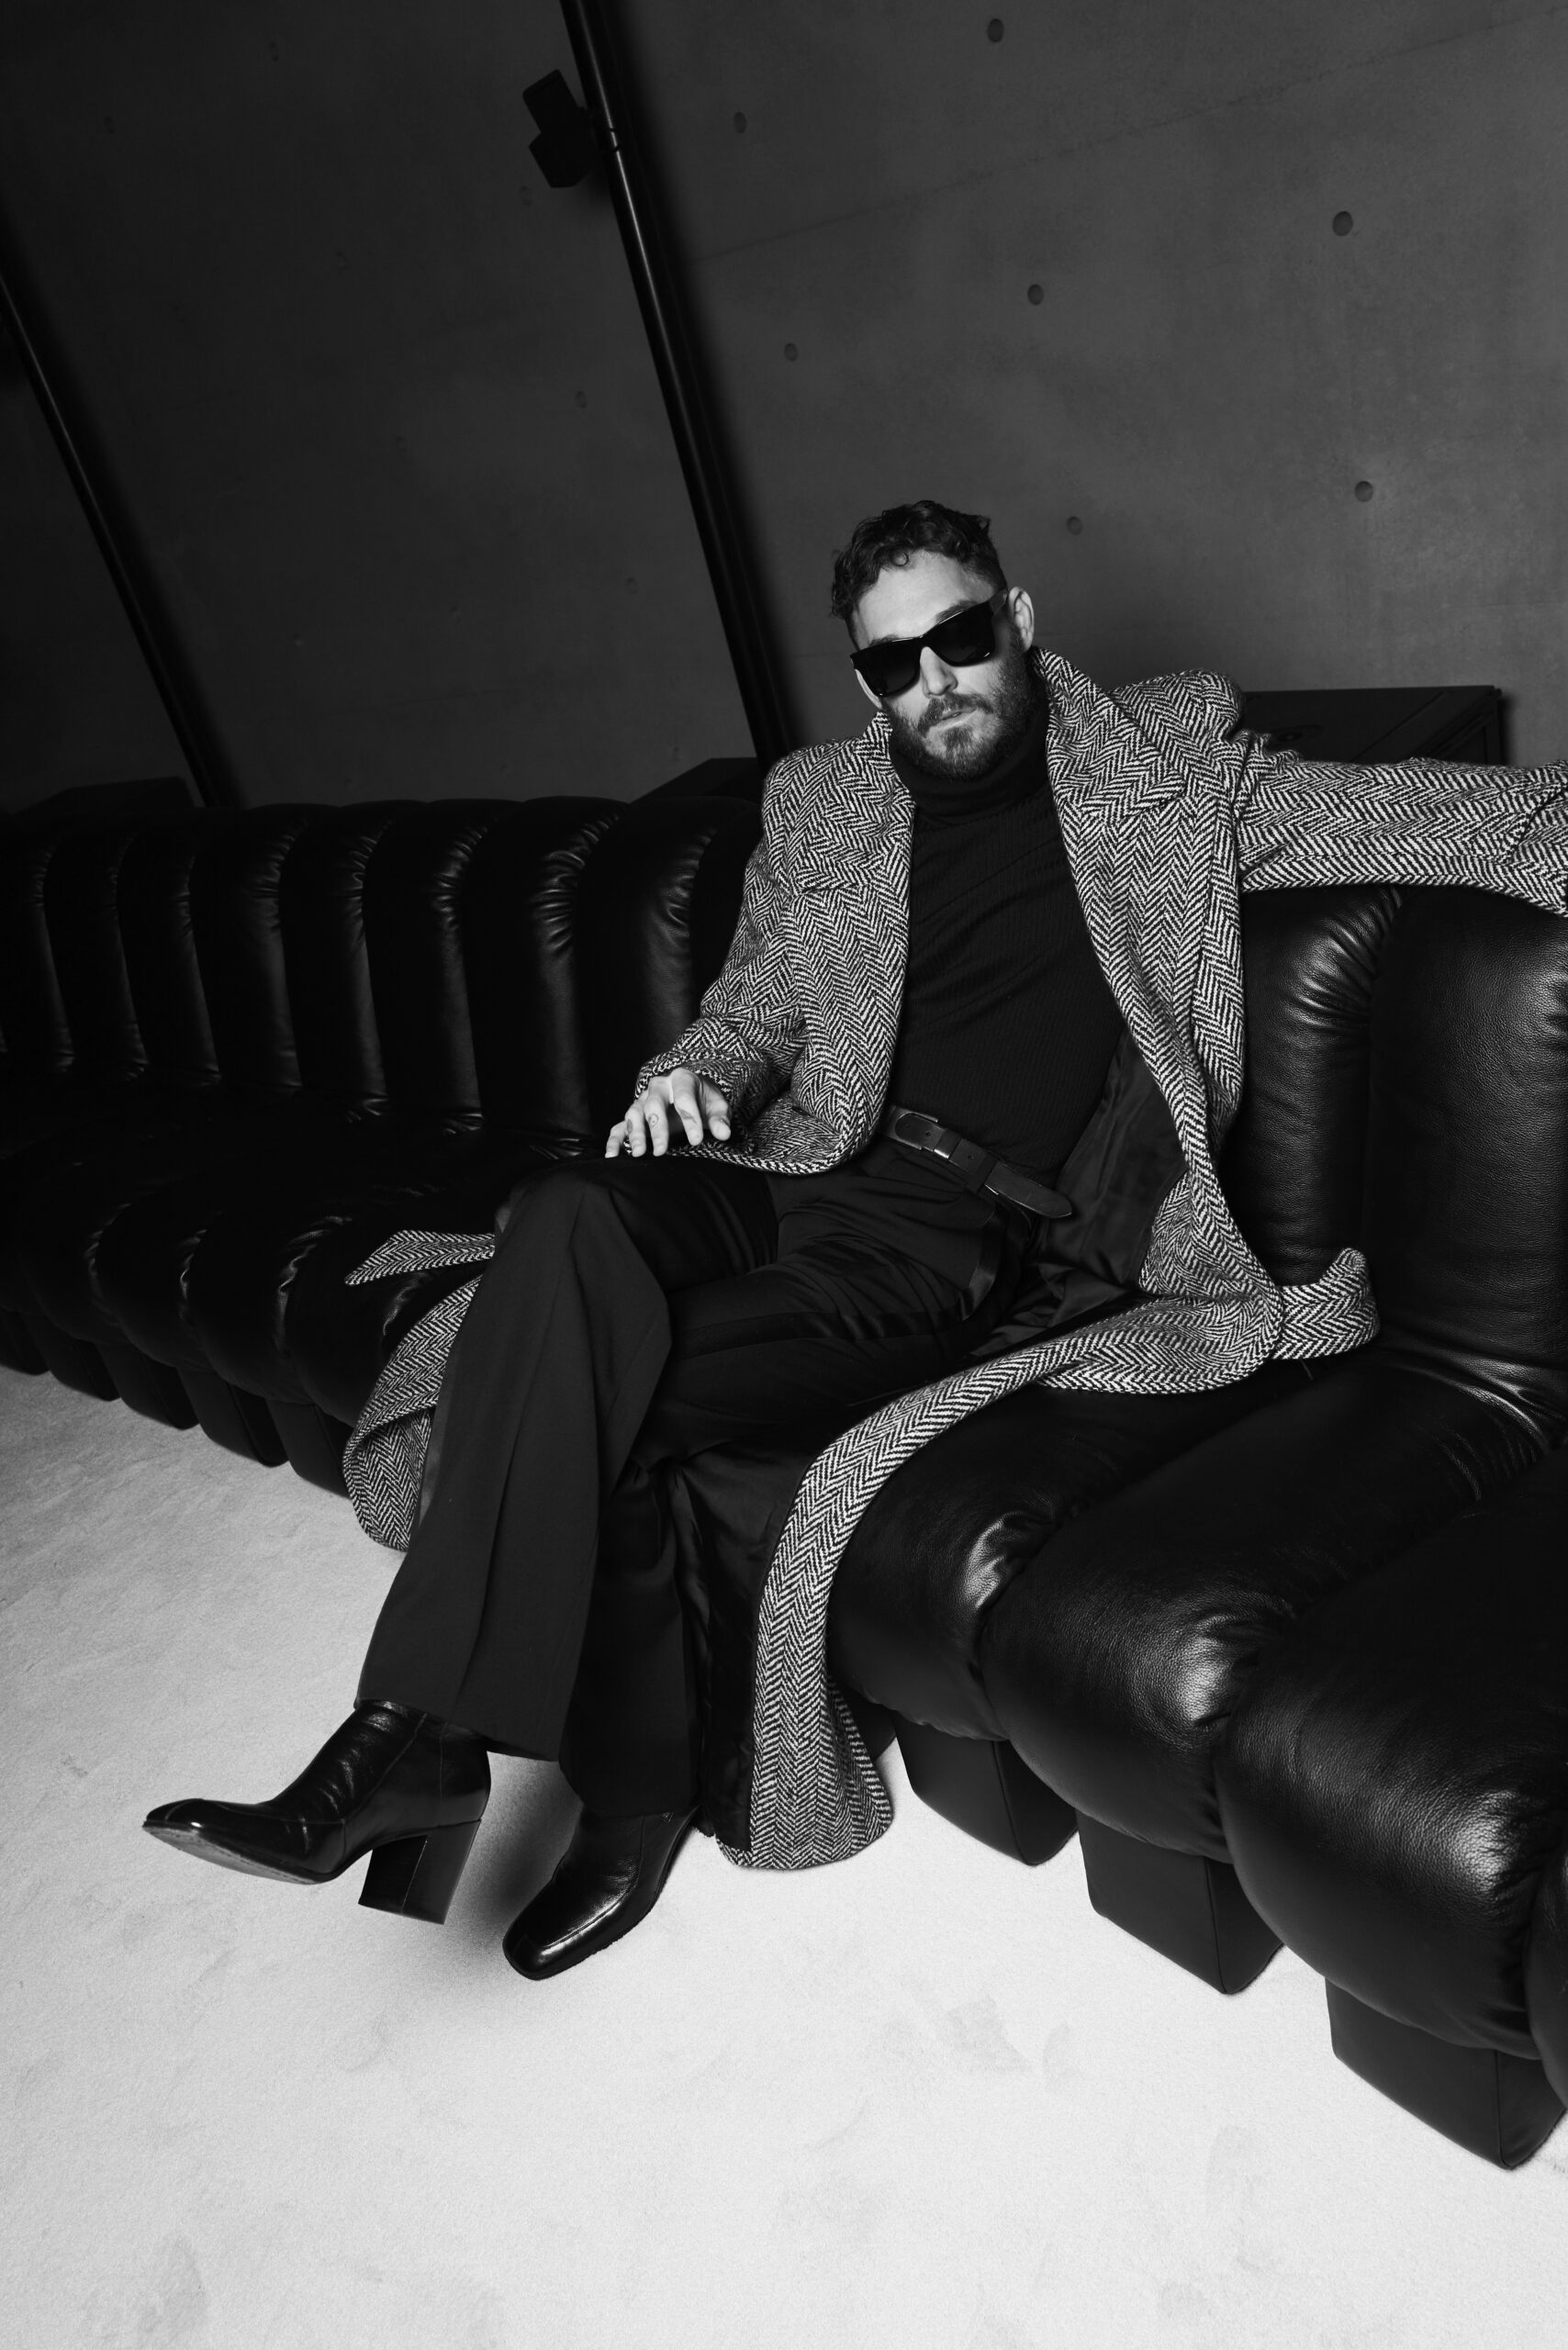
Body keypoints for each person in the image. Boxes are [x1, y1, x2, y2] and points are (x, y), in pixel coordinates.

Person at [144, 498, 1568, 1975]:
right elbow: (753, 1011)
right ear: (866, 683)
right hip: (787, 1165)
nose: (935, 682)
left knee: (613, 1398)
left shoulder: (1169, 774)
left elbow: (1469, 817)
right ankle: (422, 1747)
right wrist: (694, 1076)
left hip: (938, 1232)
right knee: (565, 1216)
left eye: (960, 637)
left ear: (1018, 620)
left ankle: (531, 1776)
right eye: (895, 663)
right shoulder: (825, 805)